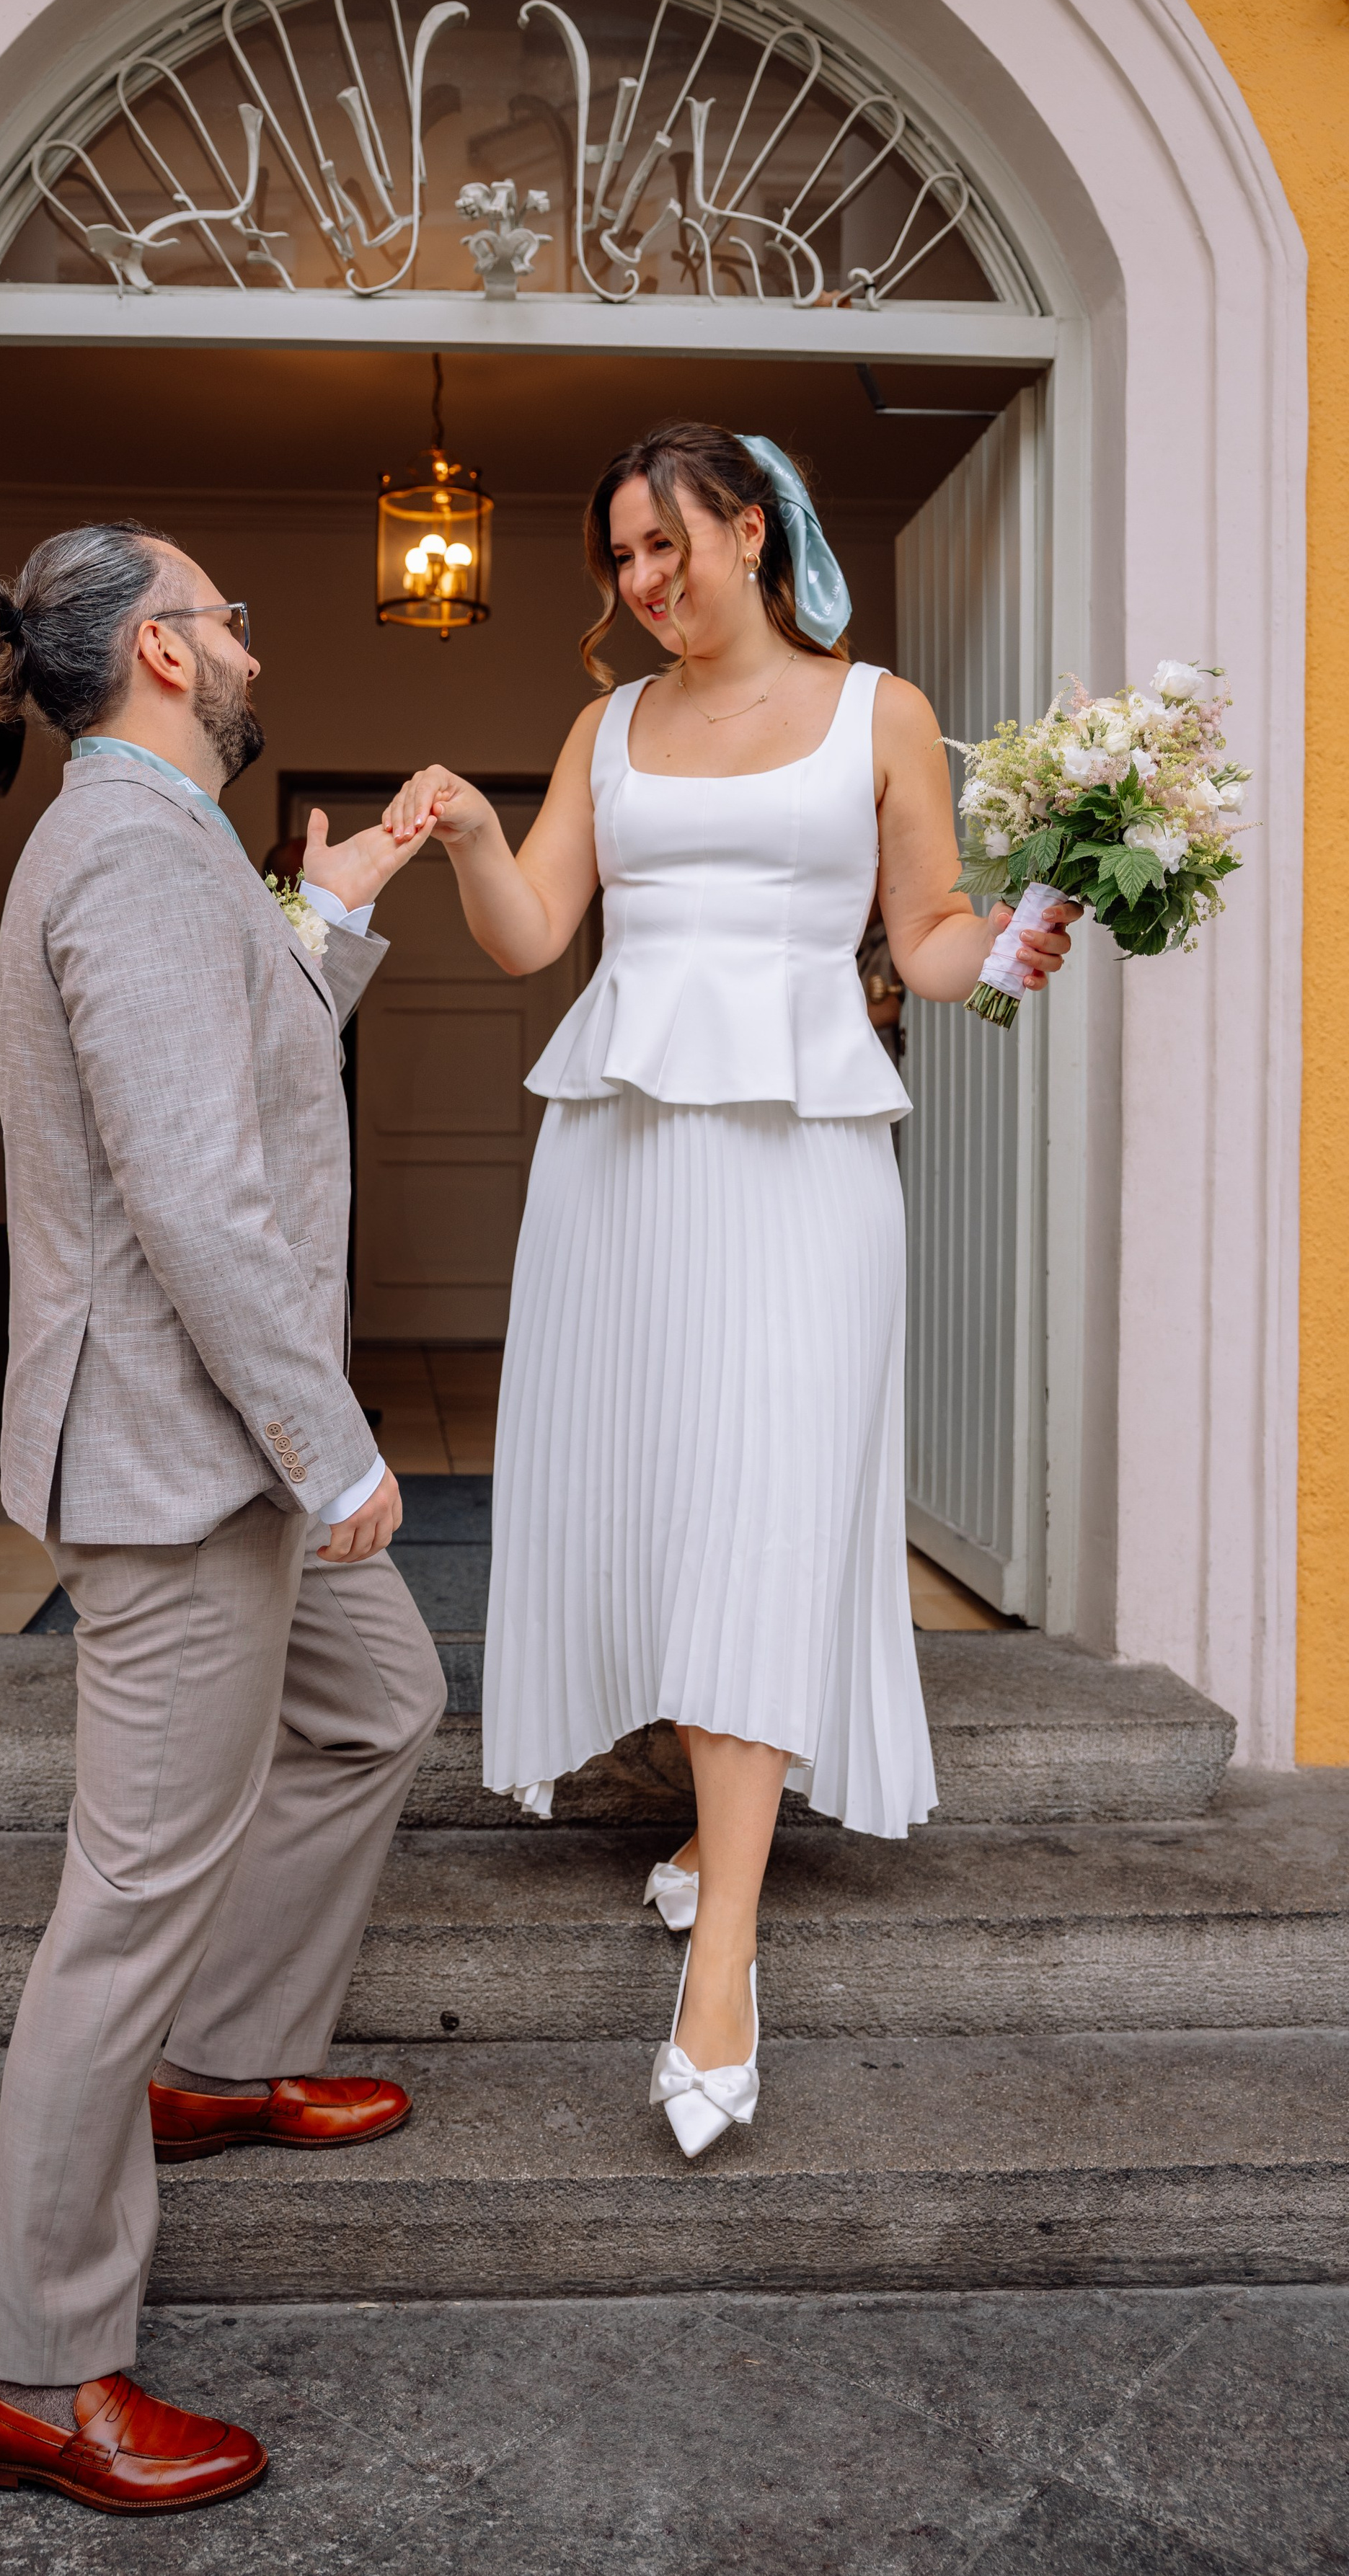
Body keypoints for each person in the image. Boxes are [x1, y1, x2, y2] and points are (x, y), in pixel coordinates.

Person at [380, 424, 1075, 2163]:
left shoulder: (878, 712)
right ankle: (716, 1828)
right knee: (669, 1498)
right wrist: (468, 834)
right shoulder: (603, 727)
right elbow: (534, 935)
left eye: (661, 545)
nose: (639, 581)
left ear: (747, 529)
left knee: (768, 1498)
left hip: (805, 1159)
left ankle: (724, 1961)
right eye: (616, 558)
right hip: (618, 1160)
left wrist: (1014, 935)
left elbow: (928, 939)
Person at [0, 521, 446, 2513]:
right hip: (184, 1452)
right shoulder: (133, 856)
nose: (247, 640)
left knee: (379, 1699)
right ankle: (31, 2365)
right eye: (224, 615)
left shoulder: (163, 841)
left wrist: (329, 907)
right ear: (161, 650)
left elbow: (230, 1058)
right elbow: (195, 1194)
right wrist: (334, 1447)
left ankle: (224, 2058)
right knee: (128, 1899)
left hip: (219, 1438)